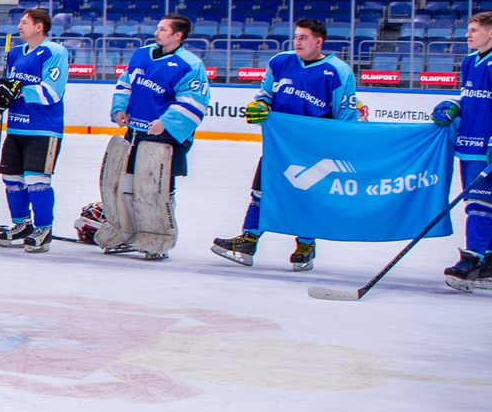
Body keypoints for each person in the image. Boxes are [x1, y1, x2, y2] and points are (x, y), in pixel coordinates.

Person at [213, 18, 360, 271]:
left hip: (315, 149)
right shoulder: (280, 62)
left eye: (303, 37)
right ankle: (248, 240)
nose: (297, 41)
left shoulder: (338, 70)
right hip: (279, 145)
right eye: (296, 36)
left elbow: (345, 115)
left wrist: (336, 146)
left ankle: (305, 244)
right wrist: (259, 105)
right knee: (262, 191)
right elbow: (266, 95)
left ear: (318, 41)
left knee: (306, 194)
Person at [94, 14, 211, 259]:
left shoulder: (190, 64)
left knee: (156, 187)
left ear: (178, 35)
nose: (157, 33)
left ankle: (159, 236)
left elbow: (195, 101)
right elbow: (125, 83)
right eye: (158, 28)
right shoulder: (141, 54)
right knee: (126, 182)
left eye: (162, 29)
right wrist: (119, 107)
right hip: (135, 132)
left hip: (165, 137)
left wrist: (166, 122)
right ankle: (128, 231)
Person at [0, 6, 72, 253]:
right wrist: (2, 97)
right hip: (16, 127)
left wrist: (18, 90)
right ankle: (21, 224)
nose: (19, 26)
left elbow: (52, 91)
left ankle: (44, 228)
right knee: (12, 178)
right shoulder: (15, 53)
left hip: (43, 128)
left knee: (37, 181)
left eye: (25, 22)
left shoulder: (55, 51)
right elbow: (10, 86)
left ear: (39, 27)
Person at [435, 11, 492, 289]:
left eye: (473, 30)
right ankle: (488, 262)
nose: (467, 35)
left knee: (480, 205)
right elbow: (471, 97)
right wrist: (454, 107)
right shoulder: (470, 61)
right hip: (469, 145)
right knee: (477, 204)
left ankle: (472, 259)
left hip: (487, 148)